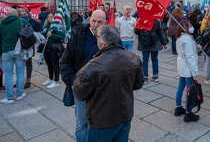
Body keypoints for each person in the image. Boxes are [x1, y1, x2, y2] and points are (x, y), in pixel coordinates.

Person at [73, 25, 144, 141]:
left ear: (102, 42)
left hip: (102, 121)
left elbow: (79, 94)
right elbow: (138, 84)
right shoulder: (133, 58)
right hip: (125, 115)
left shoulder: (91, 68)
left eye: (97, 38)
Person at [60, 9, 107, 142]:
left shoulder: (112, 38)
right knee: (82, 123)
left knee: (100, 123)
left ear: (105, 22)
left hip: (102, 90)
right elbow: (65, 61)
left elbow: (118, 62)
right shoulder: (78, 35)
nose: (96, 24)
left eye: (99, 22)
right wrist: (72, 81)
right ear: (89, 19)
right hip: (81, 88)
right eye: (93, 21)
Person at [0, 8, 30, 104]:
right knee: (20, 73)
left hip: (6, 51)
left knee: (8, 75)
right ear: (17, 14)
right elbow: (30, 33)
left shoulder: (2, 24)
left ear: (7, 14)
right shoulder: (22, 21)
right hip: (20, 50)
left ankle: (9, 97)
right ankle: (20, 94)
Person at [174, 20, 200, 122]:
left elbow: (186, 52)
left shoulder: (180, 37)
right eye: (189, 26)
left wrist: (196, 48)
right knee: (189, 90)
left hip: (181, 65)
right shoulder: (187, 39)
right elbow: (190, 57)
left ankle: (178, 107)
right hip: (187, 67)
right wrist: (194, 72)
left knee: (181, 86)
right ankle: (188, 113)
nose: (191, 27)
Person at [134, 19, 168, 84]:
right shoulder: (156, 21)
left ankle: (145, 76)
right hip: (154, 43)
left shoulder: (141, 20)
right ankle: (155, 76)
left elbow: (136, 32)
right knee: (155, 59)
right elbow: (160, 32)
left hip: (144, 43)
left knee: (145, 60)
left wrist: (139, 25)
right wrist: (164, 42)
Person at [41, 12, 65, 89]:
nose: (50, 18)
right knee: (48, 64)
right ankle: (51, 78)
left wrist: (52, 35)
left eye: (51, 16)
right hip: (46, 47)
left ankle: (56, 81)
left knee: (55, 64)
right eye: (48, 17)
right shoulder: (46, 26)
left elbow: (62, 36)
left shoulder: (57, 26)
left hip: (54, 48)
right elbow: (44, 34)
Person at [19, 9, 41, 89]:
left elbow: (38, 33)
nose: (23, 16)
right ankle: (20, 80)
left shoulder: (34, 22)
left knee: (29, 63)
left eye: (24, 14)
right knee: (19, 64)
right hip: (19, 46)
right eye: (21, 15)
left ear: (28, 14)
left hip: (29, 46)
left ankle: (28, 80)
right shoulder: (18, 22)